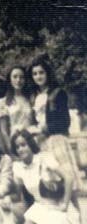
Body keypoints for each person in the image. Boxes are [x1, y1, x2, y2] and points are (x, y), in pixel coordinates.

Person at [12, 129, 86, 224]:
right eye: (17, 147)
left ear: (30, 144)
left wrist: (65, 204)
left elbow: (69, 178)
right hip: (40, 207)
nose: (20, 149)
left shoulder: (44, 159)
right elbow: (19, 195)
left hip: (57, 204)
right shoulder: (18, 168)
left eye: (23, 145)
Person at [29, 56, 80, 191]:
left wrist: (45, 129)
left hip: (56, 139)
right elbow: (36, 119)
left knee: (66, 180)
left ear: (47, 74)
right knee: (50, 183)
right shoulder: (34, 96)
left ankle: (77, 211)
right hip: (41, 142)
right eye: (35, 74)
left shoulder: (58, 93)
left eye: (41, 72)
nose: (38, 76)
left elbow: (65, 121)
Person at [0, 64, 34, 153]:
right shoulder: (3, 102)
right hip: (15, 140)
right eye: (15, 77)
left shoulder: (31, 99)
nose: (18, 80)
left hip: (31, 138)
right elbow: (4, 130)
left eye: (21, 77)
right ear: (10, 79)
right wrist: (10, 148)